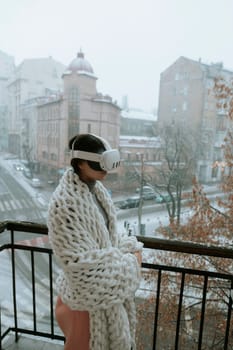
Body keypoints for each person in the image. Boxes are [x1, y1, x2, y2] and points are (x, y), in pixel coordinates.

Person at [47, 133, 143, 350]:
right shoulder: (64, 205)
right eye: (98, 164)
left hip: (105, 304)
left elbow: (107, 241)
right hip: (84, 311)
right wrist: (133, 263)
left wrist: (124, 248)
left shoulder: (97, 192)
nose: (105, 170)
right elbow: (84, 274)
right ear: (80, 163)